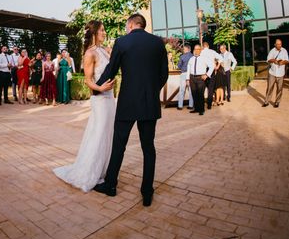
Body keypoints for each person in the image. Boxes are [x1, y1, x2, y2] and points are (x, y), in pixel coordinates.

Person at [94, 14, 168, 207]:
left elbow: (111, 69)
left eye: (127, 26)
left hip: (127, 103)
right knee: (148, 148)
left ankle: (110, 185)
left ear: (131, 24)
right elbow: (164, 74)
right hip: (149, 104)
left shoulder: (122, 42)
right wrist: (151, 92)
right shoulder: (158, 43)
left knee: (119, 145)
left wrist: (96, 87)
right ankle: (147, 192)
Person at [54, 20, 116, 192]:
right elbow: (89, 80)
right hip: (100, 100)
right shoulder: (90, 54)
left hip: (111, 98)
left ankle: (103, 170)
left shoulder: (106, 50)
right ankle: (91, 172)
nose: (105, 33)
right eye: (102, 30)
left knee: (108, 133)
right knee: (99, 133)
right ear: (95, 33)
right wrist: (101, 87)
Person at [187, 44, 214, 116]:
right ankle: (196, 109)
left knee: (200, 94)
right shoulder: (191, 59)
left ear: (200, 50)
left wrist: (207, 75)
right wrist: (187, 79)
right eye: (195, 49)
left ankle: (201, 110)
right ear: (194, 50)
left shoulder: (204, 58)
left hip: (200, 78)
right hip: (192, 78)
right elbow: (188, 69)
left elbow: (212, 66)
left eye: (198, 49)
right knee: (194, 94)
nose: (196, 51)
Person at [263, 38, 289, 108]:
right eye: (277, 44)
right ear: (275, 44)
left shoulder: (284, 51)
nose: (279, 45)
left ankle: (277, 102)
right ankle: (266, 101)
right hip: (272, 73)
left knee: (279, 88)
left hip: (281, 73)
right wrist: (274, 60)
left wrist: (282, 62)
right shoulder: (272, 51)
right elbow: (268, 59)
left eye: (280, 44)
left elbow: (287, 61)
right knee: (269, 88)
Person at [201, 41, 221, 110]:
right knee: (210, 88)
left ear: (203, 46)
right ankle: (209, 105)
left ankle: (201, 104)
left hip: (203, 71)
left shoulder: (201, 52)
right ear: (208, 46)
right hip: (211, 71)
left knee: (202, 89)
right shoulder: (212, 51)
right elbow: (221, 58)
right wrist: (217, 66)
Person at [176, 45, 193, 111]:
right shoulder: (193, 56)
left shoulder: (182, 56)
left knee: (182, 90)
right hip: (191, 74)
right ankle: (191, 105)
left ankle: (180, 106)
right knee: (191, 90)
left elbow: (179, 66)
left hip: (184, 74)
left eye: (184, 49)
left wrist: (182, 67)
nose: (183, 50)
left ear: (186, 49)